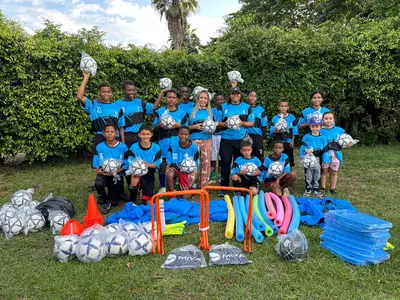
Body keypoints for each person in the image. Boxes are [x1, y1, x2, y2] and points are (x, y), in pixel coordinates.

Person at [217, 84, 255, 196]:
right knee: (225, 163)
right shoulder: (223, 107)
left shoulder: (246, 107)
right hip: (226, 139)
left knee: (239, 163)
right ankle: (223, 188)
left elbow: (251, 123)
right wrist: (225, 123)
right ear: (230, 95)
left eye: (237, 93)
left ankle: (238, 187)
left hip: (240, 140)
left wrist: (242, 123)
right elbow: (217, 123)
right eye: (233, 94)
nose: (235, 95)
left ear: (240, 95)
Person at [154, 90, 188, 193]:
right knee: (162, 164)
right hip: (163, 142)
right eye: (169, 97)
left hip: (176, 143)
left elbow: (186, 129)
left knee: (176, 163)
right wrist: (159, 125)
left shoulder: (182, 113)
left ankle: (175, 183)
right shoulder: (160, 112)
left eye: (173, 97)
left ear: (176, 99)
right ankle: (163, 186)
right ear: (165, 99)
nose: (171, 99)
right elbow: (153, 128)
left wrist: (179, 126)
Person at [76, 72, 120, 150]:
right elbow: (80, 96)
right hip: (99, 138)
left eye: (108, 92)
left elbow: (121, 127)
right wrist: (85, 78)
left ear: (111, 93)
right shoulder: (93, 105)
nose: (106, 93)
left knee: (115, 162)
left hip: (115, 138)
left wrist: (122, 141)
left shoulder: (117, 107)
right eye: (103, 91)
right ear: (99, 93)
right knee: (99, 161)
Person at [92, 125, 129, 214]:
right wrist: (98, 170)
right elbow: (96, 161)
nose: (110, 133)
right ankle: (102, 196)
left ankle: (115, 195)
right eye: (107, 132)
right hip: (103, 173)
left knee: (115, 203)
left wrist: (118, 171)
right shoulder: (99, 146)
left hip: (117, 174)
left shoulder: (123, 147)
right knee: (98, 184)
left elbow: (127, 162)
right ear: (104, 134)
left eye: (112, 132)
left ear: (116, 133)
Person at [116, 80, 164, 148]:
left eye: (133, 90)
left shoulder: (139, 102)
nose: (132, 92)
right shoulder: (117, 104)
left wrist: (161, 93)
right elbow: (118, 124)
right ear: (123, 90)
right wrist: (122, 141)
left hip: (140, 136)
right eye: (129, 90)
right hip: (126, 137)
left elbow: (154, 107)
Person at [127, 125, 162, 204]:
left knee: (149, 203)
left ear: (151, 135)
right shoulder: (134, 147)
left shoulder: (156, 148)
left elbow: (157, 164)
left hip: (149, 173)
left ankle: (144, 192)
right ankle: (132, 199)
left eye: (147, 134)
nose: (145, 136)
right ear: (139, 134)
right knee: (134, 179)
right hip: (136, 172)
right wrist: (136, 169)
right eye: (143, 134)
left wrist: (147, 165)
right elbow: (130, 161)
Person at [188, 90, 214, 188]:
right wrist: (193, 127)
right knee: (193, 163)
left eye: (205, 98)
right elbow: (184, 127)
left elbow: (215, 127)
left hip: (207, 140)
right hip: (193, 140)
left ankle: (204, 187)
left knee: (206, 164)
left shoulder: (211, 112)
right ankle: (190, 185)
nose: (203, 100)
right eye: (201, 98)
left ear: (208, 101)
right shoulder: (191, 111)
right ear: (197, 99)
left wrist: (211, 129)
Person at [166, 127, 199, 199]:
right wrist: (167, 173)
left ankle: (191, 188)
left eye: (185, 134)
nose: (183, 136)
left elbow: (196, 164)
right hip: (176, 170)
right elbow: (168, 161)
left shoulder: (194, 147)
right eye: (181, 134)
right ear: (178, 134)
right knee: (169, 173)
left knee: (185, 197)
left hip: (188, 172)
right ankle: (172, 195)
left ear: (189, 136)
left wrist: (193, 176)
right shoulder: (173, 145)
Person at [300, 119, 330, 198]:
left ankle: (316, 188)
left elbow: (325, 150)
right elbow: (303, 146)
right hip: (309, 157)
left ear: (320, 126)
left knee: (317, 172)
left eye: (317, 126)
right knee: (308, 173)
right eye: (313, 126)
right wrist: (305, 150)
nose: (315, 128)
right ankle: (308, 187)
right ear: (310, 127)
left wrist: (325, 160)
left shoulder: (323, 137)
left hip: (318, 157)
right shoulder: (307, 136)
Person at [320, 112, 348, 195]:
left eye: (330, 118)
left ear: (334, 119)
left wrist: (348, 144)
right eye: (326, 118)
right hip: (325, 154)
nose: (328, 120)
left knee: (334, 171)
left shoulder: (339, 130)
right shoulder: (320, 130)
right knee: (324, 170)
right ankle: (323, 187)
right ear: (322, 120)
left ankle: (332, 188)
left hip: (336, 154)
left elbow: (346, 140)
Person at [269, 100, 299, 167]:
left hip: (288, 141)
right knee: (278, 157)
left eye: (285, 106)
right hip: (278, 141)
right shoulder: (275, 118)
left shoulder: (292, 117)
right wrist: (276, 131)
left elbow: (294, 130)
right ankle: (278, 170)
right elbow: (271, 130)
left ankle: (289, 172)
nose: (283, 108)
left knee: (289, 159)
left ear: (287, 107)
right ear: (278, 107)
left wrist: (292, 141)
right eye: (281, 106)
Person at [246, 90, 268, 161]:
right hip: (246, 135)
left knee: (259, 156)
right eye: (251, 95)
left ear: (256, 98)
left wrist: (264, 138)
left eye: (254, 96)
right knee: (247, 155)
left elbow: (263, 125)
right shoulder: (244, 108)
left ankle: (260, 171)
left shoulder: (261, 110)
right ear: (247, 97)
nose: (252, 97)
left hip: (257, 136)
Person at [210, 92, 225, 182]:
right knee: (213, 155)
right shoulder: (212, 110)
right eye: (218, 99)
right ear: (215, 101)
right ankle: (212, 175)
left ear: (224, 100)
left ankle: (220, 174)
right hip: (213, 135)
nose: (219, 101)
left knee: (221, 155)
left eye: (221, 99)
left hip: (223, 135)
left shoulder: (226, 110)